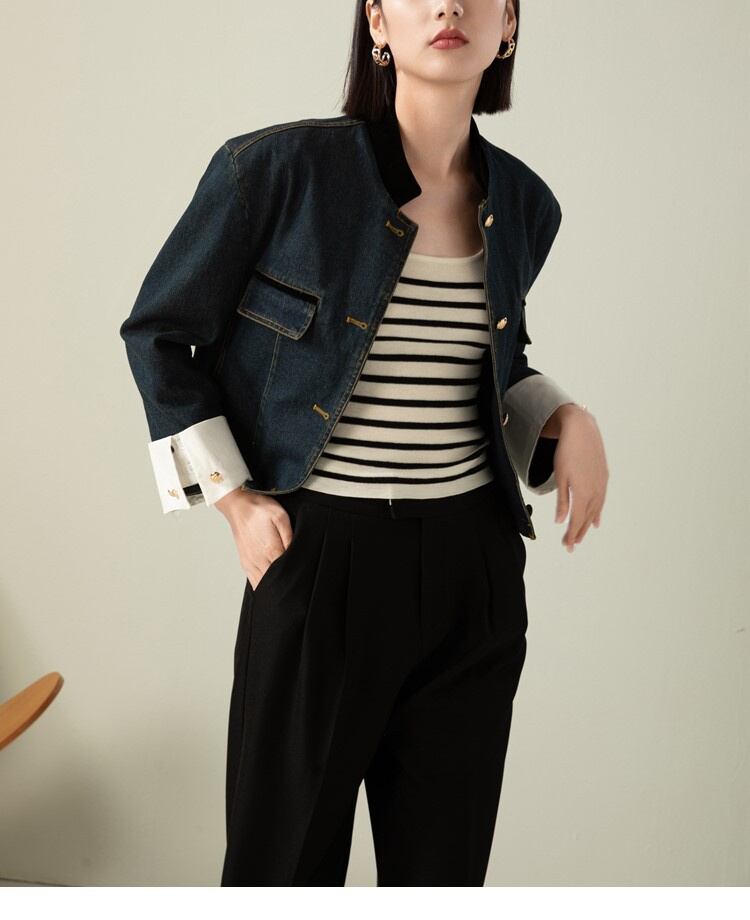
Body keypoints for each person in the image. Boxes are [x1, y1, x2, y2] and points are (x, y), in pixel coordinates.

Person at [119, 0, 608, 887]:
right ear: (377, 21)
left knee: (443, 874)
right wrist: (235, 502)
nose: (449, 6)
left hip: (473, 572)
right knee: (282, 871)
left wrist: (567, 417)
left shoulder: (525, 205)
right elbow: (159, 332)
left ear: (509, 25)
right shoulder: (277, 172)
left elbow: (488, 363)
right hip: (323, 563)